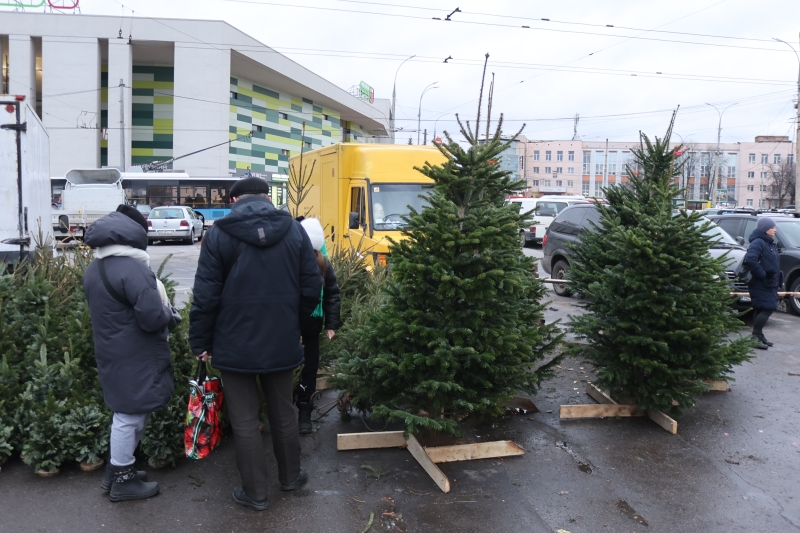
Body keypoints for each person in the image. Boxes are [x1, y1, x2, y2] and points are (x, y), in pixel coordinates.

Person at [189, 176, 322, 512]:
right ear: (267, 198)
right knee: (284, 412)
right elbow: (311, 286)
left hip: (234, 344)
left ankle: (255, 493)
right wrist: (298, 325)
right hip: (282, 340)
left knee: (246, 420)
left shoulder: (218, 235)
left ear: (235, 201)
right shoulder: (294, 231)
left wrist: (201, 341)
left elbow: (205, 297)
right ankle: (291, 477)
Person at [83, 205, 181, 502]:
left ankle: (116, 471)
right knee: (129, 417)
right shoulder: (132, 268)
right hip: (135, 354)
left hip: (114, 351)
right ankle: (123, 479)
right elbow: (151, 317)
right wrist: (170, 314)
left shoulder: (96, 266)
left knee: (128, 413)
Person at [296, 218, 341, 434]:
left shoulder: (324, 262)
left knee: (310, 369)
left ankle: (305, 411)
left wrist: (331, 323)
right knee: (289, 369)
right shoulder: (292, 259)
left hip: (312, 326)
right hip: (290, 326)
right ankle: (287, 410)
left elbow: (332, 292)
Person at [745, 216, 783, 350]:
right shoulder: (758, 242)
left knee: (761, 308)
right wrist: (763, 275)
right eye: (772, 228)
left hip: (769, 282)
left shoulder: (769, 243)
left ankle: (758, 335)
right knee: (768, 308)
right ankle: (755, 336)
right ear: (764, 229)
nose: (775, 230)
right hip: (760, 282)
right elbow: (751, 260)